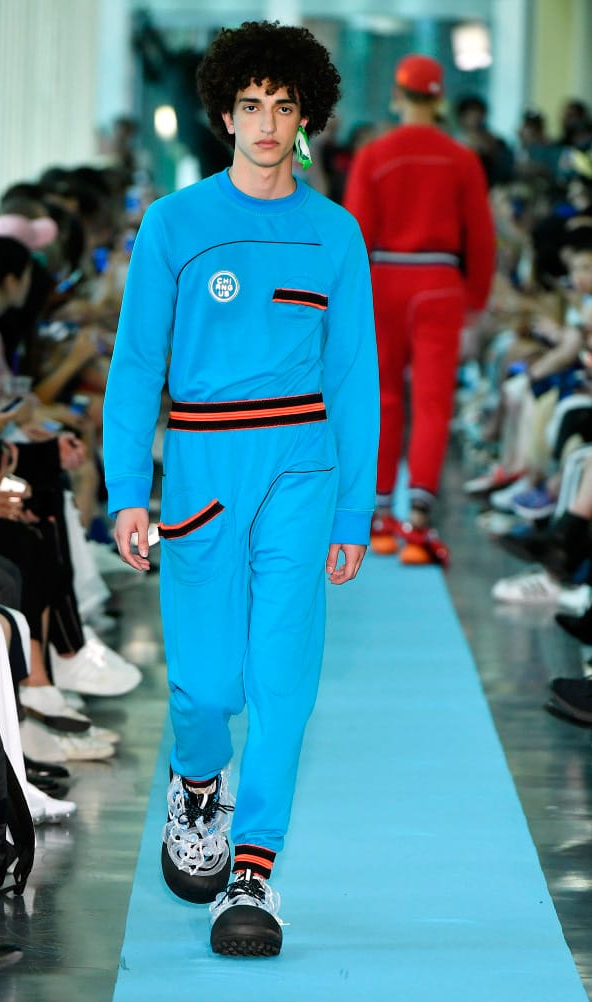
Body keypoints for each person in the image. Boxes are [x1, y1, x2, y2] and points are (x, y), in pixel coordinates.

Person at [103, 19, 378, 958]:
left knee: (283, 681)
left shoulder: (334, 234)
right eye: (250, 105)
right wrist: (126, 489)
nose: (265, 124)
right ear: (224, 114)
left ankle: (251, 874)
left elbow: (353, 378)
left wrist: (354, 509)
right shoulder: (174, 224)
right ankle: (196, 781)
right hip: (202, 468)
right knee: (205, 684)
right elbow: (136, 365)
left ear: (306, 119)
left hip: (302, 465)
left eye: (283, 107)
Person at [343, 53, 495, 565]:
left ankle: (380, 517)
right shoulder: (462, 158)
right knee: (432, 402)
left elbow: (356, 235)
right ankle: (420, 523)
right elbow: (482, 237)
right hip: (439, 282)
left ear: (397, 95)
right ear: (440, 98)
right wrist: (475, 302)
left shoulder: (374, 155)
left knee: (382, 398)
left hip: (384, 279)